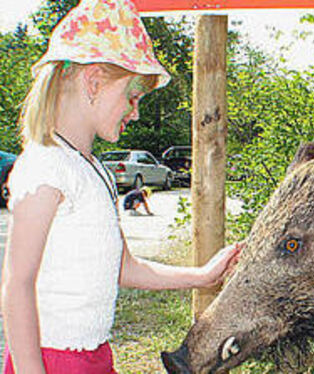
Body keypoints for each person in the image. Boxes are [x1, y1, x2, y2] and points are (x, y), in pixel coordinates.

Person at [0, 1, 243, 373]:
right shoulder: (46, 165)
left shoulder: (92, 168)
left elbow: (122, 266)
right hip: (52, 360)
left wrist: (203, 275)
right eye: (132, 97)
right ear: (94, 81)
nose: (136, 112)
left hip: (95, 356)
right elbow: (17, 286)